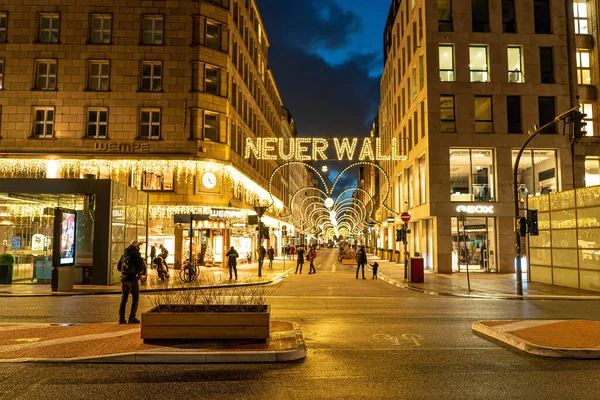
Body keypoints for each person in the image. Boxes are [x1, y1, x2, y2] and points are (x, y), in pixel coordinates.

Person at [117, 240, 146, 324]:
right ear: (136, 247)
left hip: (124, 279)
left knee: (124, 299)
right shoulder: (136, 254)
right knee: (135, 299)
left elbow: (119, 267)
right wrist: (139, 274)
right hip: (132, 279)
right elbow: (139, 267)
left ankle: (121, 319)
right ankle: (132, 318)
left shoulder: (124, 255)